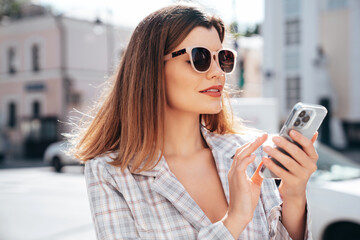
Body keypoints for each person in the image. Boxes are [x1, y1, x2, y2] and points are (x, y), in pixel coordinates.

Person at [71, 4, 318, 240]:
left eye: (223, 58)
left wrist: (294, 194)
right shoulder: (110, 171)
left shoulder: (247, 153)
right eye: (200, 58)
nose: (218, 73)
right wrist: (233, 221)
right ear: (152, 67)